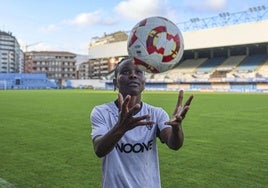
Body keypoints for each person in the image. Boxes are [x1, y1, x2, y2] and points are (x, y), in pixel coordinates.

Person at [90, 58, 194, 188]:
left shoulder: (156, 113)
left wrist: (177, 128)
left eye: (139, 72)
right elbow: (99, 149)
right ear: (115, 82)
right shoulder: (102, 112)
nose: (133, 75)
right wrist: (120, 127)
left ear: (144, 82)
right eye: (126, 72)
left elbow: (174, 144)